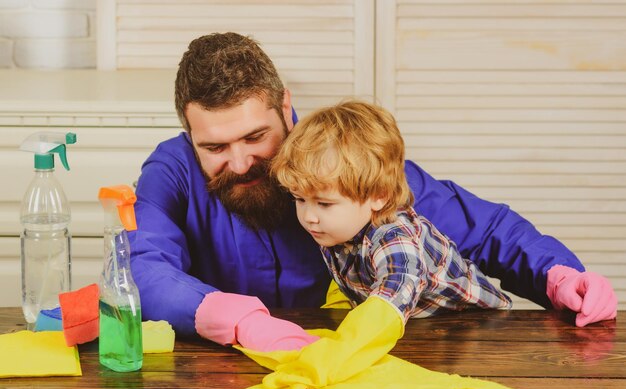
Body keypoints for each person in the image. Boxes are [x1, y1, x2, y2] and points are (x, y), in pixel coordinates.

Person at [129, 32, 617, 351]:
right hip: (227, 368)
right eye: (214, 145)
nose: (239, 163)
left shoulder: (338, 150)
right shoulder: (170, 169)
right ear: (188, 133)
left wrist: (559, 273)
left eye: (256, 137)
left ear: (285, 107)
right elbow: (142, 265)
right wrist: (232, 319)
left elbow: (482, 229)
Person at [271, 100, 513, 321]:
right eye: (299, 199)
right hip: (425, 329)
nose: (308, 217)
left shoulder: (394, 236)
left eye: (324, 204)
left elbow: (394, 295)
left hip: (481, 327)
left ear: (379, 195)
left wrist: (346, 347)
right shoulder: (338, 229)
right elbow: (353, 278)